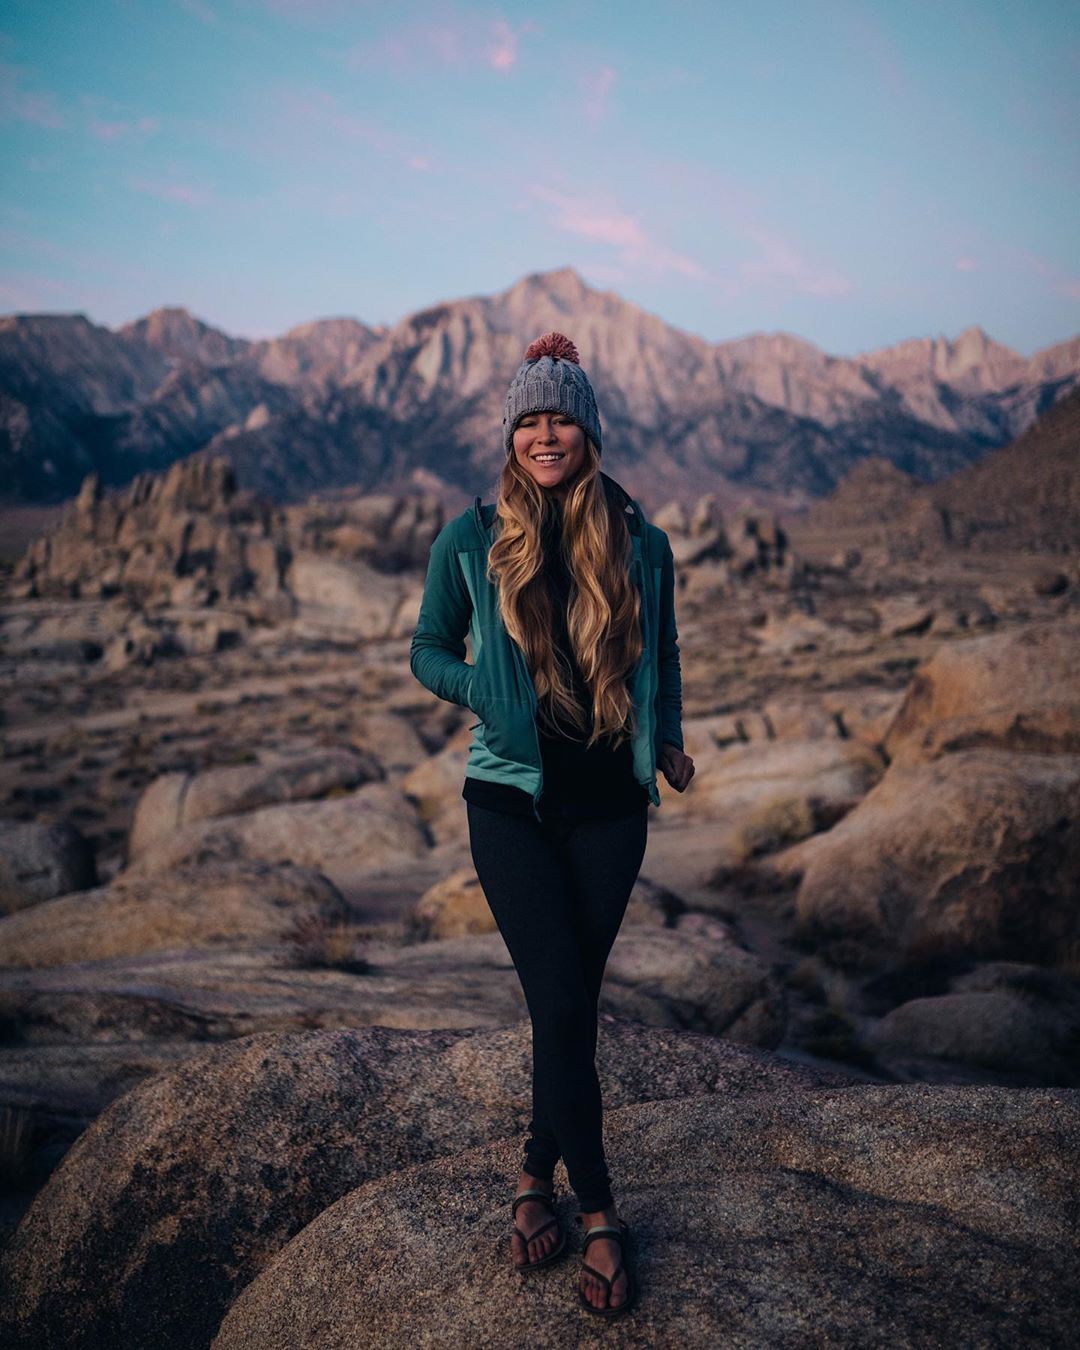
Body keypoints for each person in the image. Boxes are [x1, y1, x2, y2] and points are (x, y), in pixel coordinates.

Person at [409, 331, 694, 1317]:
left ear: (588, 432)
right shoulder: (470, 535)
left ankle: (536, 1174)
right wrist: (481, 689)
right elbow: (426, 648)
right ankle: (604, 1213)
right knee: (565, 1009)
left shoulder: (638, 538)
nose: (544, 434)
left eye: (560, 417)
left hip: (613, 811)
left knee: (566, 1007)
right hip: (511, 808)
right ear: (511, 434)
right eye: (529, 419)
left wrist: (669, 739)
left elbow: (664, 654)